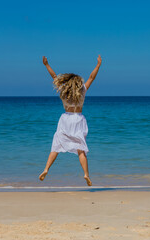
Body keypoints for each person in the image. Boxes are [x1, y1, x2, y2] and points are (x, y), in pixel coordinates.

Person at [39, 55, 102, 186]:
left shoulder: (63, 91)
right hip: (78, 119)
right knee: (81, 149)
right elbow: (91, 77)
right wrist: (98, 65)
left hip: (65, 119)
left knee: (56, 146)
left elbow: (54, 77)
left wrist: (46, 65)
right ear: (78, 83)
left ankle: (46, 169)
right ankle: (86, 174)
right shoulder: (82, 90)